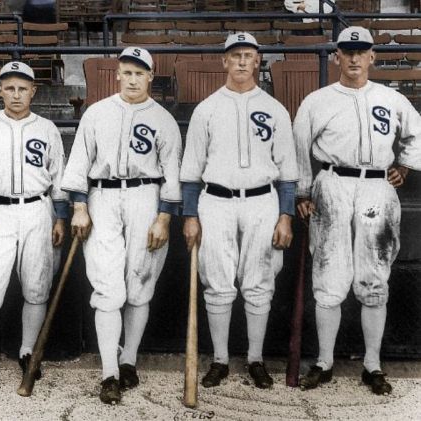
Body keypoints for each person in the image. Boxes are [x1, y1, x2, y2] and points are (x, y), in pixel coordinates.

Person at [294, 26, 421, 395]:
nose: (354, 58)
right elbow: (299, 146)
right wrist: (303, 191)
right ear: (337, 57)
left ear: (372, 57)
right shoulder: (317, 100)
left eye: (361, 51)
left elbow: (416, 133)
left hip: (377, 185)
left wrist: (405, 166)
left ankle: (372, 364)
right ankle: (324, 362)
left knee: (374, 277)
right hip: (332, 182)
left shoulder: (391, 98)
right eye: (347, 52)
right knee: (329, 275)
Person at [61, 47, 182, 404]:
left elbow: (172, 175)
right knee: (107, 287)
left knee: (140, 283)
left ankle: (129, 360)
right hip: (103, 197)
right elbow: (79, 163)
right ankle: (109, 373)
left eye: (139, 73)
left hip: (147, 196)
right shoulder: (96, 113)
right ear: (117, 74)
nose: (132, 79)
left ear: (150, 76)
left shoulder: (163, 119)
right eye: (127, 72)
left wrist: (164, 218)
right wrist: (79, 207)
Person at [180, 33, 298, 389]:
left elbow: (288, 171)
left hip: (262, 200)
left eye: (248, 55)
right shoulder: (207, 109)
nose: (242, 61)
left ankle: (255, 359)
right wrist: (190, 216)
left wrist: (286, 215)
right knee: (217, 283)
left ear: (258, 61)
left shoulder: (275, 109)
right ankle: (219, 360)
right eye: (235, 55)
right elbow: (191, 170)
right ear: (224, 61)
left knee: (259, 283)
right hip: (215, 201)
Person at [0, 61, 69, 394]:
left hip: (38, 209)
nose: (16, 94)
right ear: (0, 91)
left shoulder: (47, 128)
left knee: (37, 286)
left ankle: (27, 353)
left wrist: (60, 217)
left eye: (23, 88)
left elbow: (59, 176)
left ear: (33, 91)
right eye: (10, 88)